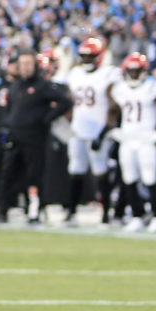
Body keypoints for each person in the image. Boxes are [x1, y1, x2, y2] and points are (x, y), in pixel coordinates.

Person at [0, 50, 72, 224]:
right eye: (23, 64)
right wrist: (6, 129)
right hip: (14, 137)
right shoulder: (14, 86)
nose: (26, 68)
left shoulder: (42, 86)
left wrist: (47, 118)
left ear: (35, 65)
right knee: (7, 174)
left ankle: (36, 211)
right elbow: (10, 111)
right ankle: (2, 210)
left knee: (34, 176)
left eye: (29, 64)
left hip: (34, 138)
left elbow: (65, 102)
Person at [104, 53, 156, 231]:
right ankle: (137, 216)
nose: (134, 74)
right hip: (128, 138)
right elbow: (113, 105)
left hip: (146, 139)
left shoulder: (153, 87)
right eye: (131, 70)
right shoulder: (121, 88)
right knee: (129, 178)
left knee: (149, 178)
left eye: (137, 71)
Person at [63, 37, 118, 225]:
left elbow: (113, 106)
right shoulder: (75, 74)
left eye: (90, 56)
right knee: (75, 169)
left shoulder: (108, 74)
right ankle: (71, 211)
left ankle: (106, 215)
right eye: (84, 56)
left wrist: (104, 133)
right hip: (78, 129)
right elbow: (69, 102)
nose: (86, 60)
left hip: (98, 129)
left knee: (100, 171)